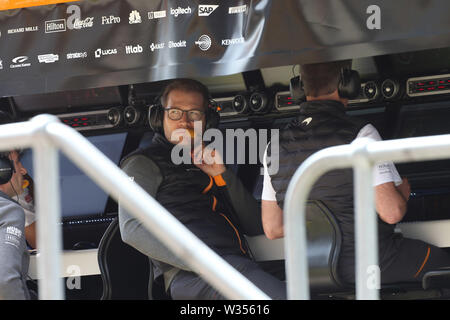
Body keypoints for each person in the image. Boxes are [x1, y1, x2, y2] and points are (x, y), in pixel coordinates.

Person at [261, 60, 450, 285]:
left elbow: (272, 228)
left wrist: (324, 223)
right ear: (347, 83)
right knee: (440, 263)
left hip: (309, 272)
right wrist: (401, 194)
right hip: (372, 264)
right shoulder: (362, 134)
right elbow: (392, 213)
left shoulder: (272, 147)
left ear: (299, 88)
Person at [119, 78, 286, 300]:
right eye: (175, 113)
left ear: (207, 120)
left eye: (194, 114)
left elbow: (255, 225)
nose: (185, 122)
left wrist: (221, 174)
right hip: (192, 277)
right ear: (159, 117)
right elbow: (131, 228)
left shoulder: (207, 162)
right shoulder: (142, 162)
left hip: (235, 266)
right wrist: (201, 260)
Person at [0, 150, 30, 299]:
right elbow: (4, 281)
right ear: (2, 169)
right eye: (18, 162)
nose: (23, 170)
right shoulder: (7, 210)